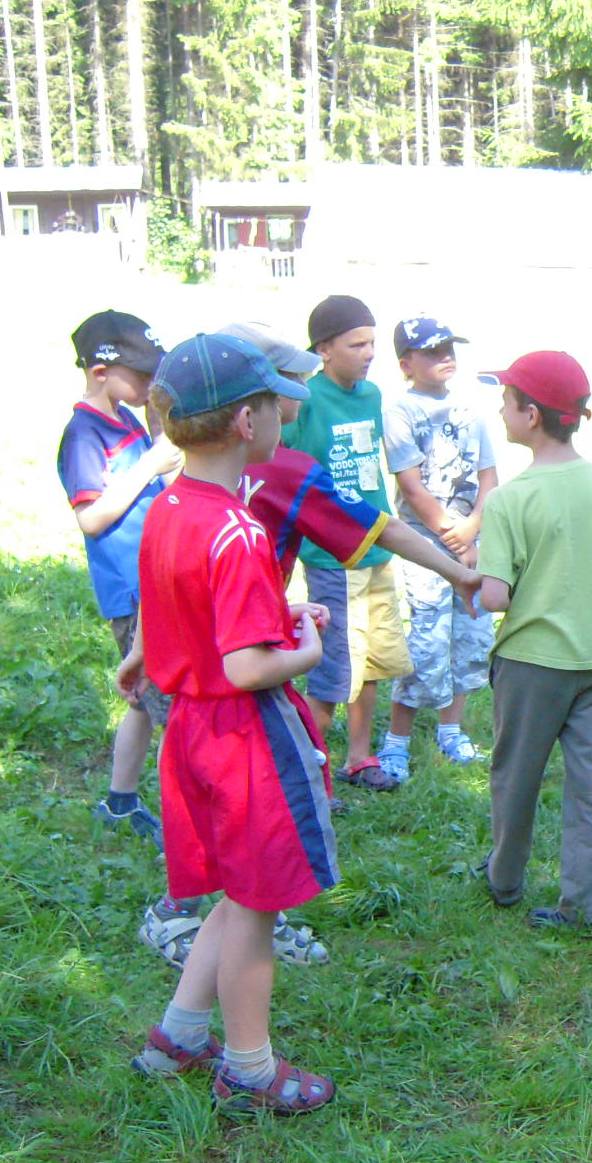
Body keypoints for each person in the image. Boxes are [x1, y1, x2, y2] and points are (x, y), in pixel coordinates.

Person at [120, 319, 483, 971]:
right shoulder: (283, 472)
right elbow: (381, 529)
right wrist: (457, 571)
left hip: (201, 653)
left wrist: (144, 646)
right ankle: (230, 917)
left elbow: (167, 568)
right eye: (288, 382)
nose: (302, 393)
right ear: (250, 410)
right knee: (252, 805)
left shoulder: (191, 478)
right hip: (241, 669)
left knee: (211, 799)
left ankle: (230, 921)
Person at [128, 332, 336, 1114]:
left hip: (190, 729)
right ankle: (250, 1070)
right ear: (248, 422)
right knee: (257, 903)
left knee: (237, 892)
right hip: (245, 737)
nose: (284, 415)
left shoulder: (171, 506)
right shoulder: (240, 529)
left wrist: (279, 614)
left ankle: (179, 1033)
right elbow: (248, 667)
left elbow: (196, 613)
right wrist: (305, 647)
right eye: (275, 403)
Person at [475, 351, 592, 929]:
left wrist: (488, 578)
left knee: (515, 779)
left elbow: (494, 597)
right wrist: (591, 581)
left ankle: (504, 881)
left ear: (531, 415)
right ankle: (590, 907)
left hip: (530, 666)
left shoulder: (509, 499)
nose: (501, 411)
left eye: (506, 401)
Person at [280, 294, 412, 790]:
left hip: (378, 546)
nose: (369, 353)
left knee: (371, 660)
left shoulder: (372, 395)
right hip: (333, 556)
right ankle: (309, 774)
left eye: (372, 343)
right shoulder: (304, 400)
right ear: (323, 350)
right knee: (333, 669)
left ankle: (358, 757)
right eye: (357, 344)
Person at [56, 309, 176, 848]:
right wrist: (150, 463)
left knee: (145, 700)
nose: (151, 383)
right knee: (171, 709)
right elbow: (91, 517)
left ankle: (120, 801)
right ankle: (185, 821)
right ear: (101, 372)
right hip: (131, 592)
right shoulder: (84, 433)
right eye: (142, 374)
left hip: (153, 579)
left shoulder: (126, 417)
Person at [380, 315, 497, 775]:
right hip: (425, 547)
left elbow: (489, 476)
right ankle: (396, 740)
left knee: (470, 638)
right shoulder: (400, 411)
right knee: (426, 642)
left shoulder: (471, 409)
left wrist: (474, 529)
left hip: (473, 540)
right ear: (405, 364)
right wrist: (455, 539)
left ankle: (451, 729)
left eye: (449, 348)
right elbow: (412, 488)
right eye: (431, 351)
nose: (445, 356)